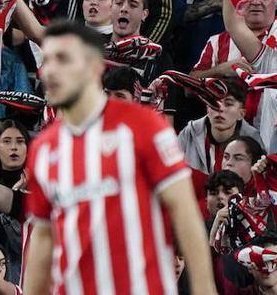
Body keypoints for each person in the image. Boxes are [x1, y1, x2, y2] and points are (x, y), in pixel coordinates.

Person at [23, 20, 217, 295]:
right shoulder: (44, 149)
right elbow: (43, 237)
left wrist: (204, 290)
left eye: (62, 59)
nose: (49, 71)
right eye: (48, 60)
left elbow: (185, 214)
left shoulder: (145, 127)